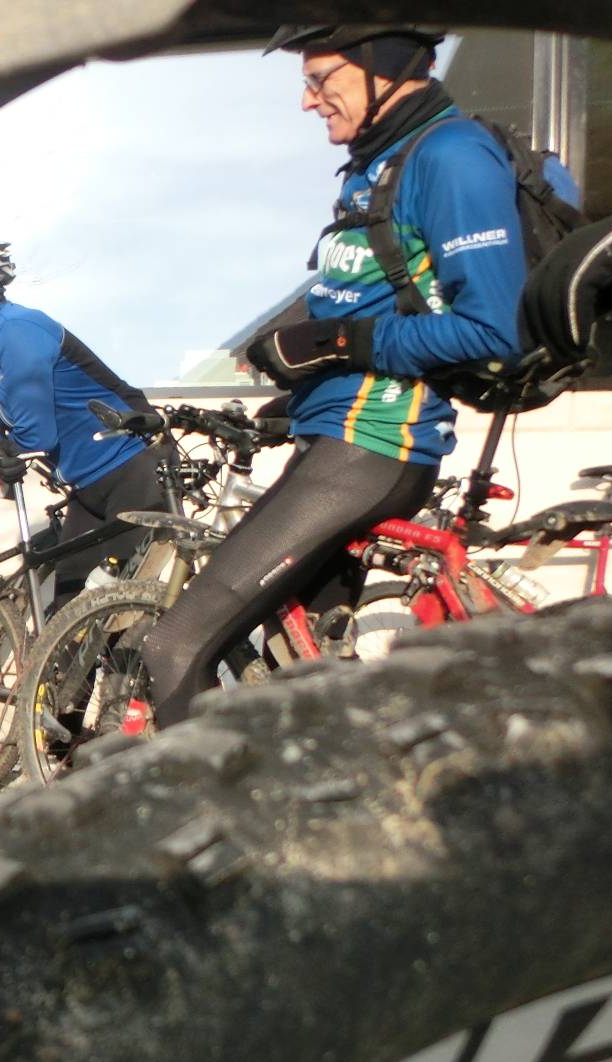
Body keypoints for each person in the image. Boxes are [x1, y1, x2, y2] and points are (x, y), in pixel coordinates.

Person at [136, 25, 522, 730]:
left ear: (383, 67)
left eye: (320, 80)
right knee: (303, 674)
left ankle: (185, 802)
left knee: (176, 646)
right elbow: (369, 301)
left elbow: (493, 330)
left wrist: (337, 342)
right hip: (338, 438)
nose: (309, 101)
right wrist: (297, 381)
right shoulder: (379, 164)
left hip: (373, 444)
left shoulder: (451, 156)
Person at [0, 242, 172, 604]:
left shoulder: (18, 329)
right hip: (86, 485)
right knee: (68, 610)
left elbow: (37, 432)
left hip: (133, 467)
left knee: (120, 607)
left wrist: (8, 450)